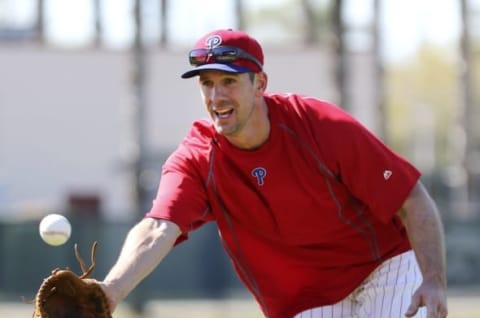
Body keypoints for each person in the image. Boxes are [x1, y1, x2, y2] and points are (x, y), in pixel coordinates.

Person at [100, 29, 448, 318]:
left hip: (383, 268)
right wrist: (109, 291)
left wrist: (433, 279)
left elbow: (412, 198)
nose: (216, 95)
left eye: (228, 81)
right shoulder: (196, 159)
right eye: (206, 83)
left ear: (260, 83)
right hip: (305, 299)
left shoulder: (318, 126)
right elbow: (159, 226)